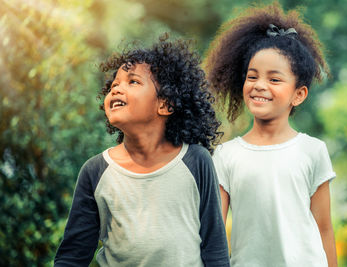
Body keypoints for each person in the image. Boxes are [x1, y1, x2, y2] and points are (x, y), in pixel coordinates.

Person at [54, 34, 230, 267]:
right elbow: (72, 257)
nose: (116, 89)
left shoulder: (196, 161)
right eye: (114, 84)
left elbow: (215, 249)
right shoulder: (95, 171)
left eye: (132, 82)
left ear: (165, 104)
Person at [204, 3, 337, 267]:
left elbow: (324, 228)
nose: (260, 86)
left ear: (298, 95)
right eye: (252, 77)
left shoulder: (313, 150)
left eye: (274, 80)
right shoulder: (227, 155)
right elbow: (215, 234)